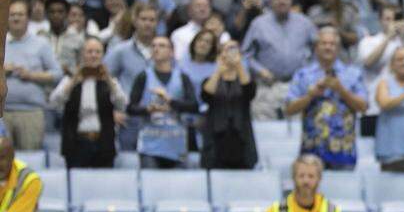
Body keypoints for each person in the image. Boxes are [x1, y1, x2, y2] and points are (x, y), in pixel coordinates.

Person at [285, 27, 368, 171]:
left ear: (338, 48)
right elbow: (289, 109)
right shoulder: (303, 75)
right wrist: (310, 95)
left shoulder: (353, 73)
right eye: (323, 43)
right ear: (316, 47)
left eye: (332, 44)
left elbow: (364, 107)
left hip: (344, 151)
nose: (328, 47)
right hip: (311, 152)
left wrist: (341, 90)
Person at [242, 0, 318, 120]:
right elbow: (246, 55)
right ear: (270, 1)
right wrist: (260, 71)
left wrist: (308, 70)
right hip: (268, 86)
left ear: (291, 0)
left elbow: (318, 50)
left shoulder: (305, 23)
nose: (281, 1)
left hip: (298, 86)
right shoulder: (258, 24)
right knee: (265, 133)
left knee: (297, 132)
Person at [50, 37, 127, 168]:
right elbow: (54, 102)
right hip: (76, 143)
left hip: (104, 144)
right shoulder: (70, 80)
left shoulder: (109, 81)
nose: (93, 55)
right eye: (89, 51)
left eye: (97, 52)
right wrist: (74, 79)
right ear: (82, 54)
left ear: (103, 55)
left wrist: (108, 79)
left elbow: (122, 104)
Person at [128, 35, 197, 168]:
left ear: (172, 52)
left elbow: (193, 106)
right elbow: (131, 108)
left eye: (161, 46)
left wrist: (170, 100)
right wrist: (148, 109)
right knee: (151, 185)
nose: (156, 49)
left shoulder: (182, 77)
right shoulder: (143, 76)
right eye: (153, 46)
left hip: (176, 145)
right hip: (150, 146)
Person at [4, 0, 62, 150]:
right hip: (2, 114)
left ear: (28, 18)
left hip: (31, 113)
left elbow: (57, 75)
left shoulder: (41, 44)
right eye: (12, 14)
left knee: (30, 161)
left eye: (20, 14)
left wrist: (30, 75)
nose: (16, 18)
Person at [200, 40, 257, 169]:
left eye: (234, 49)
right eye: (227, 49)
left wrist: (239, 65)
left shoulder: (246, 79)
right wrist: (219, 70)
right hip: (216, 139)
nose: (230, 53)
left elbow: (249, 92)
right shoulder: (210, 79)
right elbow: (206, 96)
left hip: (241, 139)